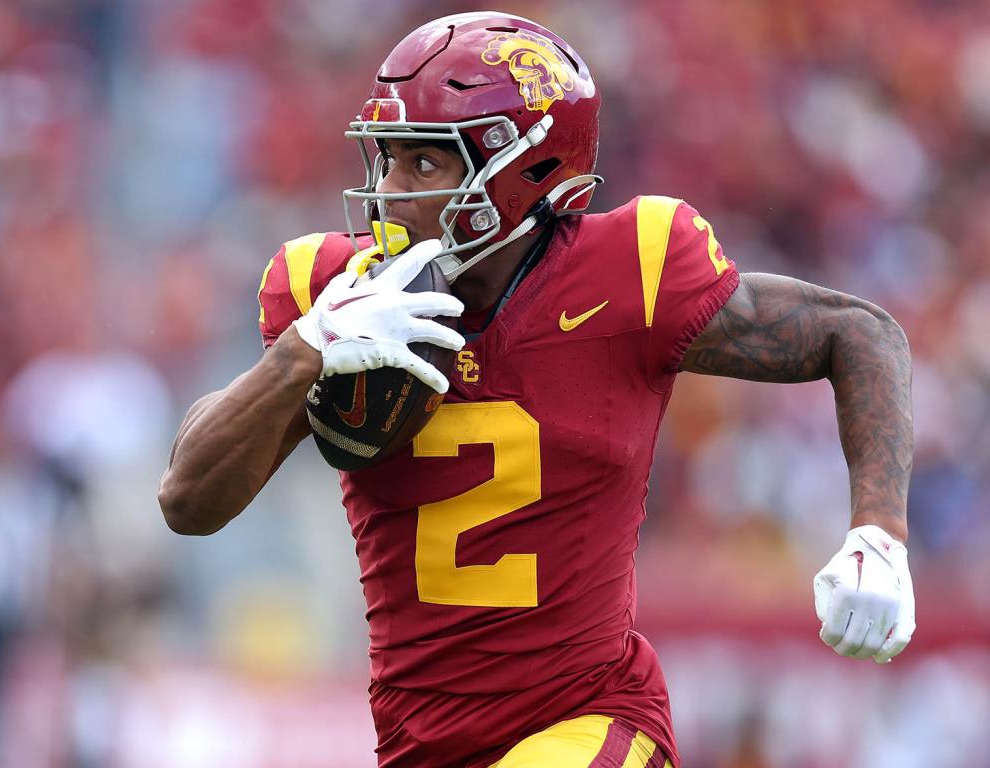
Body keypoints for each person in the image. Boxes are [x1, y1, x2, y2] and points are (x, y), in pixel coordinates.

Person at [158, 12, 916, 768]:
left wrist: (877, 532)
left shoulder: (633, 272)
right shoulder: (329, 295)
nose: (390, 192)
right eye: (387, 159)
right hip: (422, 747)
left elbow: (858, 333)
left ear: (527, 171)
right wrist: (306, 349)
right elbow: (188, 501)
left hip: (592, 721)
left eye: (426, 164)